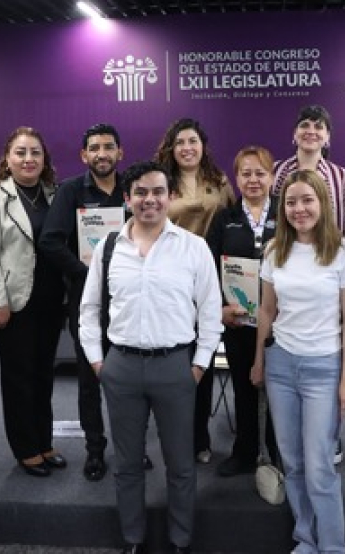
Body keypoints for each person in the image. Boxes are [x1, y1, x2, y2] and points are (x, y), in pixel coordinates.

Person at [79, 160, 223, 554]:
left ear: (171, 196)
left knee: (180, 464)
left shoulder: (193, 248)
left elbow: (211, 312)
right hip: (121, 367)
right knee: (127, 464)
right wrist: (98, 362)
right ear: (127, 198)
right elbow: (89, 310)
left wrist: (199, 365)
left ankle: (180, 541)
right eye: (140, 192)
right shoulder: (108, 247)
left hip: (176, 367)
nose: (150, 199)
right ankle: (133, 540)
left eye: (158, 191)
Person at [251, 170, 345, 554]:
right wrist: (259, 361)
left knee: (319, 467)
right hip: (280, 365)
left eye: (307, 200)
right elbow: (267, 310)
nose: (299, 209)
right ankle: (306, 539)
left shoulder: (344, 251)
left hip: (324, 369)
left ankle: (333, 547)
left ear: (322, 203)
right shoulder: (274, 251)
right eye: (291, 202)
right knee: (294, 463)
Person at [0, 127, 67, 477]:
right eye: (21, 152)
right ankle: (26, 448)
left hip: (51, 301)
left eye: (35, 152)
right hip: (13, 304)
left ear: (44, 159)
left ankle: (44, 442)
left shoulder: (56, 195)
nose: (28, 159)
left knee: (44, 375)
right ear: (8, 159)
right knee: (19, 378)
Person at [40, 122, 128, 482]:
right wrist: (85, 273)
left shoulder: (133, 188)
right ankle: (95, 450)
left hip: (130, 300)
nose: (102, 154)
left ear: (120, 152)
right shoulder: (70, 191)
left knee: (130, 380)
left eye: (108, 147)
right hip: (87, 301)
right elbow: (50, 241)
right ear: (83, 155)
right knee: (90, 380)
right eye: (94, 148)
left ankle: (131, 447)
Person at [155, 117, 235, 464]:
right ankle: (174, 437)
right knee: (174, 362)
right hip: (170, 279)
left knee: (203, 362)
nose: (187, 148)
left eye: (193, 141)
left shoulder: (219, 180)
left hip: (209, 279)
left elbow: (232, 220)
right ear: (171, 149)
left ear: (203, 146)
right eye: (180, 143)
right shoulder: (161, 181)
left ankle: (199, 438)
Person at [206, 145, 279, 477]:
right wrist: (220, 308)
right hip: (238, 321)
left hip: (281, 322)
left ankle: (278, 453)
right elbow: (209, 268)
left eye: (260, 173)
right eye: (246, 173)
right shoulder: (226, 218)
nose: (253, 180)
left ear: (272, 177)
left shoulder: (287, 212)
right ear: (236, 178)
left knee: (279, 391)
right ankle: (245, 452)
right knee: (243, 385)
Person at [272, 105, 345, 242]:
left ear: (327, 136)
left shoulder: (342, 177)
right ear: (295, 133)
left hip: (330, 253)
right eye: (305, 125)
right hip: (285, 251)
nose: (311, 131)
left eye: (318, 127)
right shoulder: (275, 171)